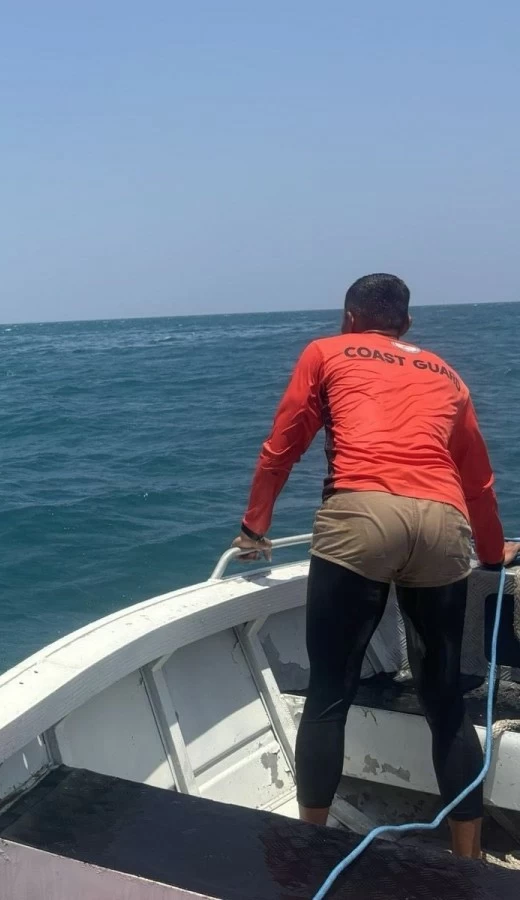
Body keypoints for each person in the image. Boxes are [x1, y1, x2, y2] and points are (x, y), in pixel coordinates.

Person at [232, 273, 518, 859]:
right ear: (406, 325)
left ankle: (311, 851)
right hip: (443, 522)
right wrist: (491, 555)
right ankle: (468, 859)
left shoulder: (325, 351)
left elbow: (282, 446)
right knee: (445, 700)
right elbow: (479, 482)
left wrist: (255, 527)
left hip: (361, 516)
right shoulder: (447, 373)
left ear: (348, 318)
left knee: (330, 694)